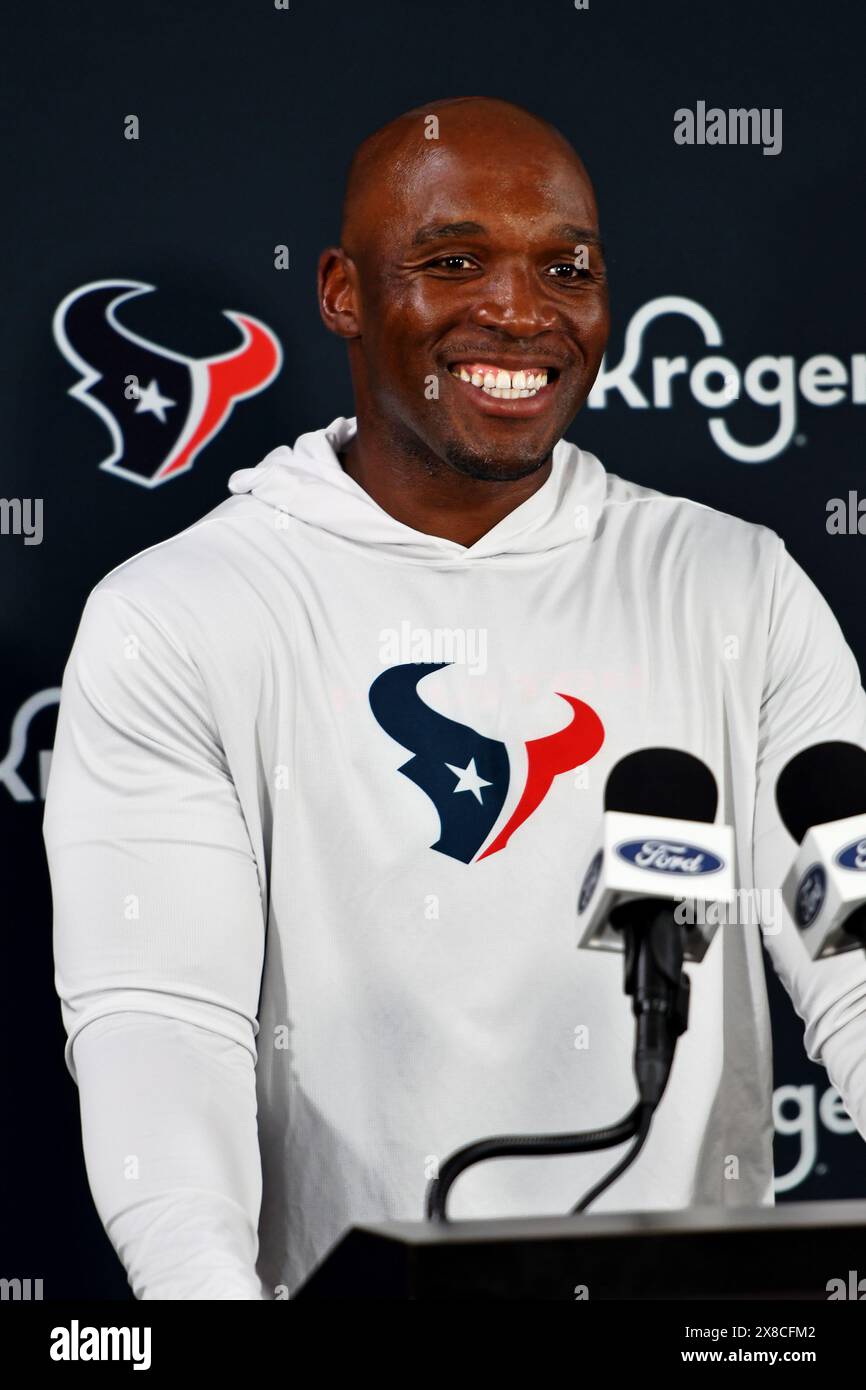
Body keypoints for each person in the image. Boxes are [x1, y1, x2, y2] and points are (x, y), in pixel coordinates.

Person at [43, 95, 866, 1300]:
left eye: (564, 267)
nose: (521, 312)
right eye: (453, 261)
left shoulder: (733, 582)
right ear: (340, 292)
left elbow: (849, 955)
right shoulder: (179, 613)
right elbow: (161, 1029)